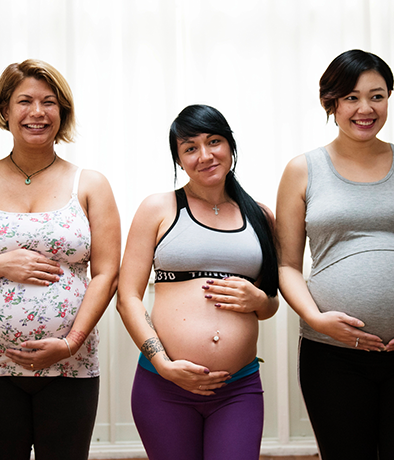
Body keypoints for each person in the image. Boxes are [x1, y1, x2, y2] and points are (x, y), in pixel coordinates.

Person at [275, 49, 394, 460]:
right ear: (332, 103)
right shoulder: (302, 170)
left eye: (377, 96)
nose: (365, 108)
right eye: (351, 97)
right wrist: (315, 318)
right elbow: (286, 266)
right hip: (332, 355)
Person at [0, 59, 120, 460]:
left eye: (49, 102)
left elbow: (107, 274)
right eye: (24, 101)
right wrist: (0, 264)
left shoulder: (90, 184)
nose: (37, 112)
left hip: (72, 365)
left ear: (62, 112)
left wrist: (70, 343)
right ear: (4, 109)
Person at [117, 104, 279, 460]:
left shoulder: (261, 217)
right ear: (178, 159)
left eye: (214, 142)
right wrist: (162, 362)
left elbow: (271, 303)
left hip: (237, 389)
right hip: (164, 385)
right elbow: (127, 297)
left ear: (231, 147)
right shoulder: (158, 209)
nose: (204, 155)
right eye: (190, 147)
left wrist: (258, 300)